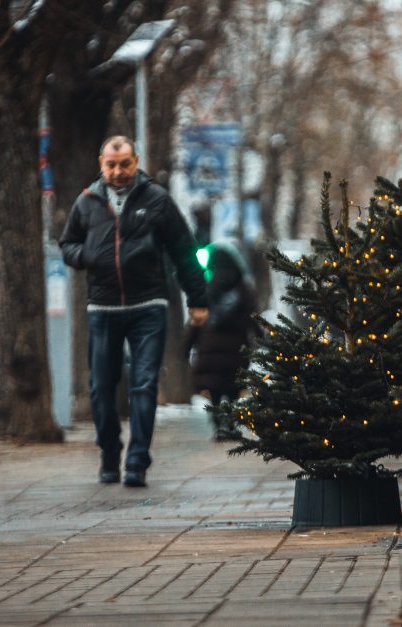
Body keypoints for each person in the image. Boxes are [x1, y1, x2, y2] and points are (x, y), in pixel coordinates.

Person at [59, 135, 208, 487]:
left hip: (148, 306)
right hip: (103, 307)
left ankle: (137, 461)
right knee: (100, 388)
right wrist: (86, 257)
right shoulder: (87, 202)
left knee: (143, 384)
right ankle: (110, 454)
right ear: (101, 164)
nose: (118, 171)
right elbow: (67, 244)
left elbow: (184, 251)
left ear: (136, 161)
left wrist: (198, 300)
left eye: (125, 163)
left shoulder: (157, 200)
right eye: (111, 165)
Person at [187, 240, 258, 406]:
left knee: (215, 394)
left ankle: (219, 425)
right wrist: (263, 340)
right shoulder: (244, 290)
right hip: (236, 353)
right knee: (233, 391)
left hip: (209, 352)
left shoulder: (205, 288)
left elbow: (196, 322)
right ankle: (231, 426)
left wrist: (187, 345)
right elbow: (253, 319)